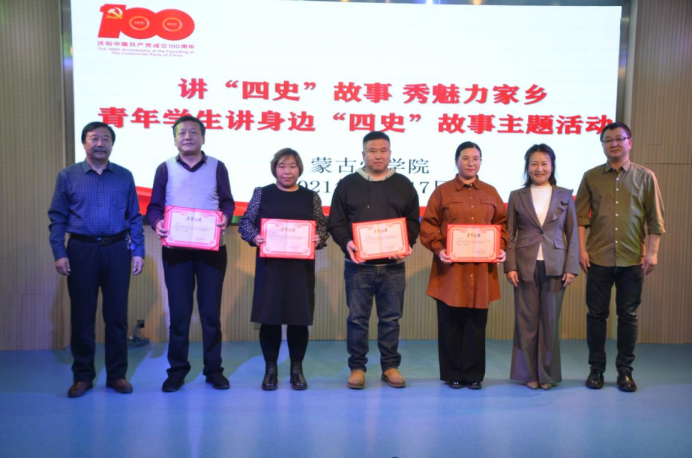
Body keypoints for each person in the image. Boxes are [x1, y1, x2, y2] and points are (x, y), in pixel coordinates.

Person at [49, 121, 145, 398]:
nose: (100, 143)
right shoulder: (68, 176)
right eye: (94, 138)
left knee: (116, 318)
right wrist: (59, 252)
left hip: (117, 250)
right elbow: (57, 217)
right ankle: (82, 377)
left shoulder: (124, 176)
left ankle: (117, 375)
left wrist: (138, 250)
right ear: (84, 143)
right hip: (81, 250)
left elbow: (134, 217)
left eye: (105, 139)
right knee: (82, 317)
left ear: (112, 144)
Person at [147, 115, 236, 393]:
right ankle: (177, 371)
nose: (188, 136)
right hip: (176, 252)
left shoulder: (218, 166)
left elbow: (227, 202)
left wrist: (226, 217)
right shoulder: (164, 168)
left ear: (203, 137)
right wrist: (157, 222)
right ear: (175, 139)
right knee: (179, 314)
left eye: (194, 132)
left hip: (212, 251)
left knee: (210, 314)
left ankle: (214, 370)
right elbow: (154, 207)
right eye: (182, 132)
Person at [576, 122, 665, 393]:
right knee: (596, 316)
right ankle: (596, 370)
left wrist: (652, 252)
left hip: (632, 259)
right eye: (608, 140)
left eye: (619, 139)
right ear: (602, 145)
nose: (614, 144)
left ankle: (625, 372)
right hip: (598, 258)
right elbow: (580, 219)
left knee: (628, 316)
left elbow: (655, 219)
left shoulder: (645, 177)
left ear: (630, 142)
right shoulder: (591, 177)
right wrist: (581, 250)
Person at [328, 131, 420, 390]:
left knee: (391, 319)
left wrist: (406, 244)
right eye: (372, 151)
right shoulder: (347, 184)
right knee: (357, 319)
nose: (378, 155)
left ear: (390, 153)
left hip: (393, 267)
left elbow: (413, 221)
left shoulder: (403, 184)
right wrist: (347, 242)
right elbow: (336, 222)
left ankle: (390, 367)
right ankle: (357, 368)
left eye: (383, 150)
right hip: (358, 267)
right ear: (363, 154)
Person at [238, 149, 329, 391]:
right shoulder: (262, 193)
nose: (287, 171)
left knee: (299, 319)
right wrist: (254, 236)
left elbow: (322, 228)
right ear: (274, 169)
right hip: (271, 268)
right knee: (270, 319)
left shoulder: (311, 197)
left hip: (300, 269)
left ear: (299, 169)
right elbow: (245, 222)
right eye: (282, 166)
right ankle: (271, 369)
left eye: (292, 166)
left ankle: (297, 369)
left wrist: (318, 239)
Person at [420, 141, 507, 390]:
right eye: (466, 158)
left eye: (476, 158)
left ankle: (474, 375)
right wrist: (439, 249)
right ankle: (453, 374)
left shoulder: (491, 192)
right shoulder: (442, 192)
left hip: (481, 273)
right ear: (456, 161)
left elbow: (502, 226)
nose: (471, 163)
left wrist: (500, 247)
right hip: (450, 272)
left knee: (476, 325)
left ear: (481, 161)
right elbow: (428, 225)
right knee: (450, 324)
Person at [504, 144, 579, 390]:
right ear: (527, 167)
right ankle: (529, 374)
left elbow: (572, 234)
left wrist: (572, 267)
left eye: (544, 163)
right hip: (524, 265)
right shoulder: (517, 195)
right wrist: (510, 266)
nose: (539, 168)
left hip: (555, 265)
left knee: (550, 323)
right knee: (525, 323)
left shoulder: (565, 195)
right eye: (534, 164)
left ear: (552, 166)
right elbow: (509, 235)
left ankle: (547, 375)